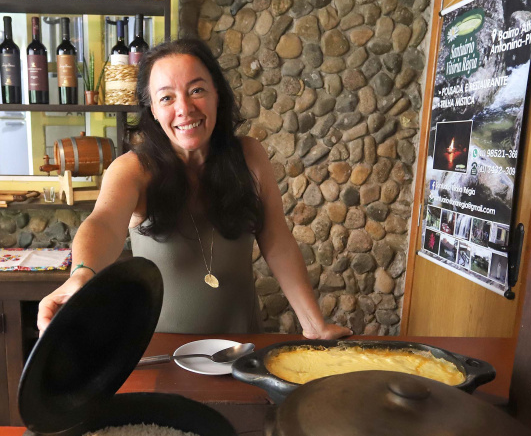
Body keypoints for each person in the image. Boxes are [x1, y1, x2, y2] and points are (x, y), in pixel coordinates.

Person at [38, 38, 350, 340]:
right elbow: (104, 222)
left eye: (197, 90)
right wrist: (82, 273)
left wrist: (314, 324)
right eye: (167, 98)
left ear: (217, 94)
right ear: (153, 111)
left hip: (241, 350)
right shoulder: (134, 169)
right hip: (162, 354)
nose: (184, 108)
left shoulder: (250, 156)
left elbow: (276, 238)